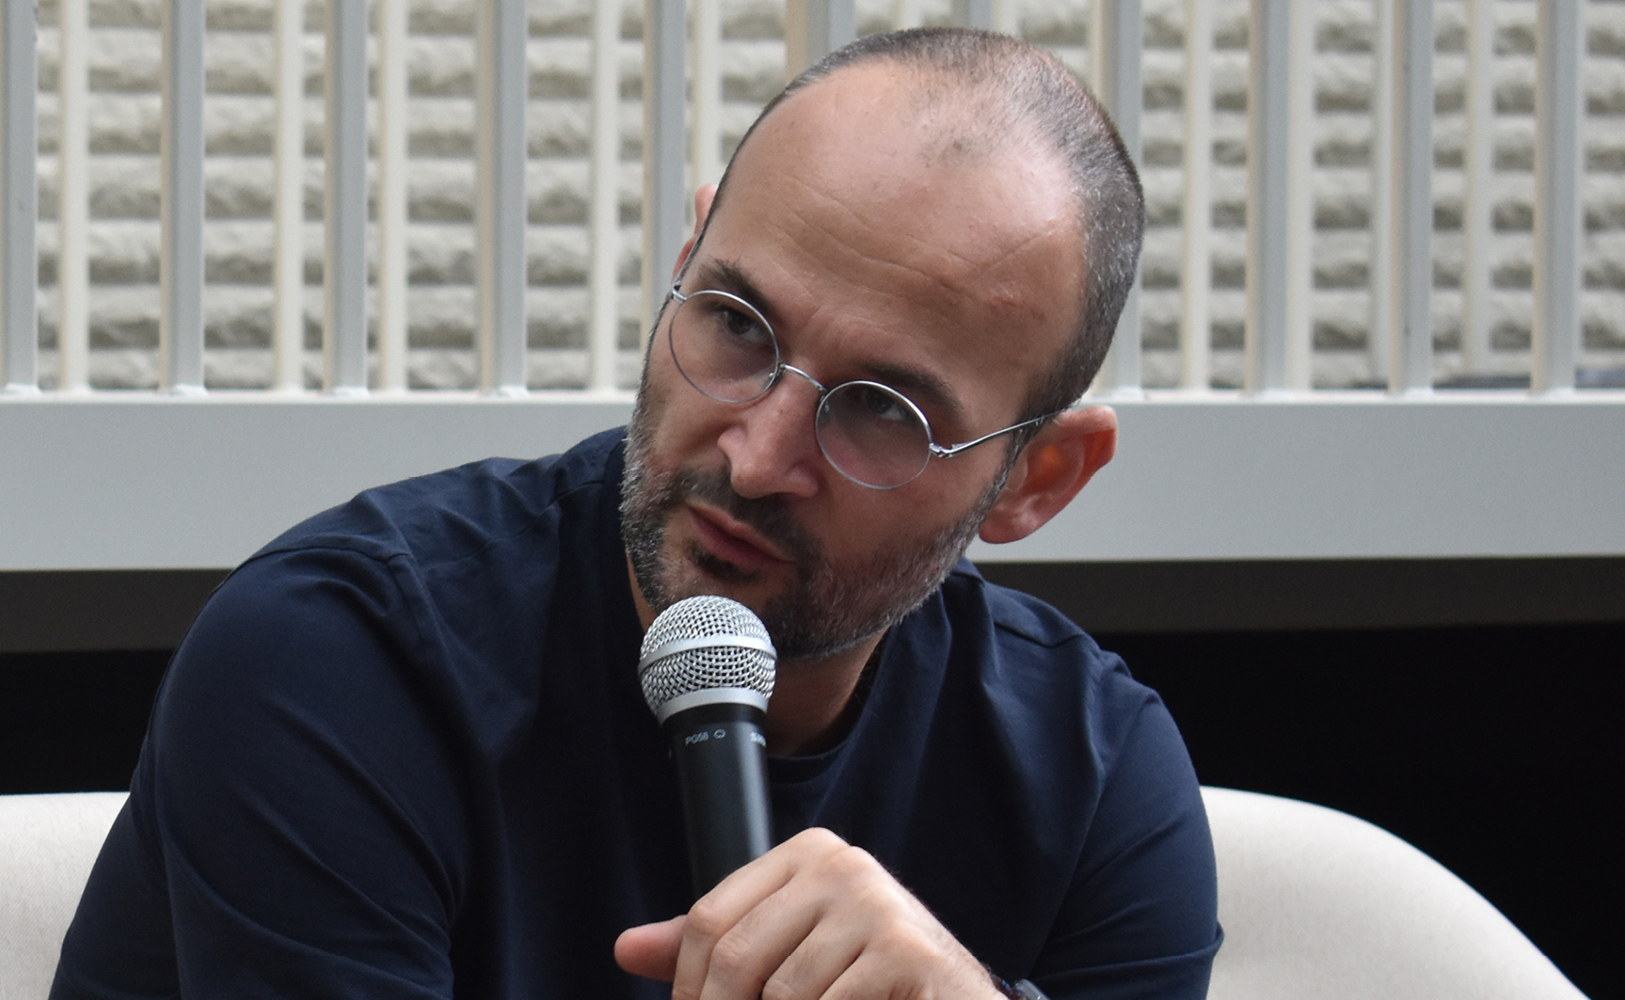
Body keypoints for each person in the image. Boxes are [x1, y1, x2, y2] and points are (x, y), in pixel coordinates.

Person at [53, 27, 1220, 1000]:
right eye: (736, 326)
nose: (755, 457)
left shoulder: (1093, 776)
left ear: (1035, 478)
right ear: (688, 253)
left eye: (880, 410)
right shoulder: (335, 663)